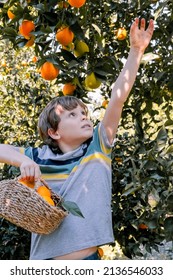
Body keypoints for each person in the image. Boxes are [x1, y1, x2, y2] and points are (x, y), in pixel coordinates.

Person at [0, 18, 154, 260]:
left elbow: (117, 98)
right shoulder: (39, 157)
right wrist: (22, 163)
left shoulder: (98, 148)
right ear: (54, 132)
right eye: (72, 115)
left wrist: (136, 51)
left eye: (84, 113)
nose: (84, 117)